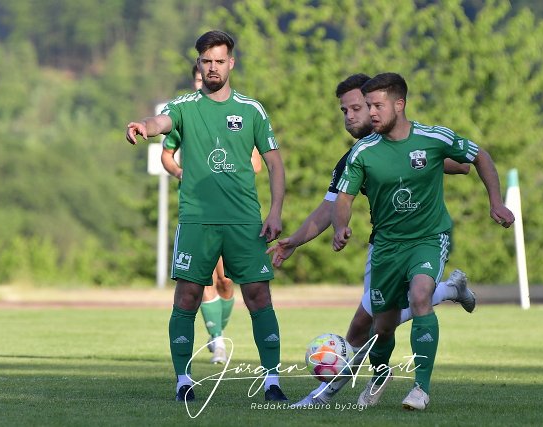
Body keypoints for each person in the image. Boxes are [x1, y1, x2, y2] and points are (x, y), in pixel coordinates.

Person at [266, 73, 475, 407]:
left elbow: (453, 163)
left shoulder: (409, 137)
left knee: (364, 326)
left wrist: (438, 163)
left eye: (357, 108)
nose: (350, 116)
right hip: (384, 247)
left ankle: (323, 397)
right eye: (344, 111)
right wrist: (295, 242)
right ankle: (450, 290)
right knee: (376, 324)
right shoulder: (355, 157)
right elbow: (328, 208)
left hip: (421, 240)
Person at [332, 72, 515, 411]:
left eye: (377, 106)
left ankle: (421, 388)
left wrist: (496, 202)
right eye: (368, 106)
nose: (371, 113)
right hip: (386, 246)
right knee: (382, 327)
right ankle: (380, 374)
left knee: (420, 297)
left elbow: (479, 157)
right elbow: (344, 198)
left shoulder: (433, 137)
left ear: (399, 104)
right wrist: (340, 227)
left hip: (429, 238)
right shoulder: (363, 152)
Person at [126, 30, 287, 403]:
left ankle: (272, 381)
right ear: (198, 64)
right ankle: (183, 380)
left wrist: (275, 211)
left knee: (258, 296)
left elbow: (275, 164)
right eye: (206, 61)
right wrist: (144, 126)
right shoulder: (185, 106)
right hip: (197, 220)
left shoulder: (251, 109)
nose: (212, 67)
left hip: (245, 221)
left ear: (231, 63)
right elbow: (160, 122)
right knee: (187, 296)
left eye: (219, 61)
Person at [161, 64, 263, 365]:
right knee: (202, 279)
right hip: (199, 212)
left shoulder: (239, 115)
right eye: (197, 78)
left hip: (233, 213)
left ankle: (217, 331)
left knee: (226, 282)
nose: (201, 82)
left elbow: (257, 164)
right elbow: (167, 154)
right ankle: (218, 340)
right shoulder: (184, 115)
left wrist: (227, 168)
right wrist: (181, 172)